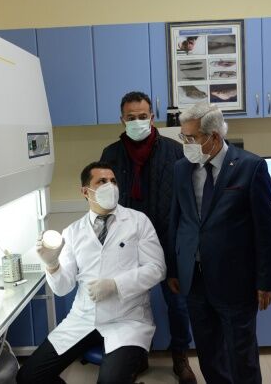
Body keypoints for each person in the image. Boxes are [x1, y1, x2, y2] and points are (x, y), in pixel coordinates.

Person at [17, 161, 166, 384]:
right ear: (85, 191)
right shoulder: (72, 232)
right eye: (102, 181)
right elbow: (63, 288)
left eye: (113, 181)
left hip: (127, 320)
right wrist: (52, 264)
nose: (110, 186)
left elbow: (157, 269)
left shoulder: (138, 221)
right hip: (83, 318)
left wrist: (115, 285)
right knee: (28, 377)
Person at [168, 103, 271, 384]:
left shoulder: (250, 167)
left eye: (191, 137)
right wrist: (173, 269)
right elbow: (177, 219)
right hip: (194, 279)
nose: (186, 144)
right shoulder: (181, 168)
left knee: (241, 355)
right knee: (209, 354)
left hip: (235, 280)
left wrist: (266, 281)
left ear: (214, 137)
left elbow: (265, 230)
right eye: (183, 137)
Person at [100, 91, 197, 383]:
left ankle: (180, 357)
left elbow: (188, 201)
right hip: (126, 244)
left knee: (178, 304)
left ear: (152, 117)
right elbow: (104, 200)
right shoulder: (111, 155)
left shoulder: (174, 151)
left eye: (142, 116)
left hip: (168, 242)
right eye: (131, 117)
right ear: (122, 119)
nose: (137, 121)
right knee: (130, 306)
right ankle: (135, 357)